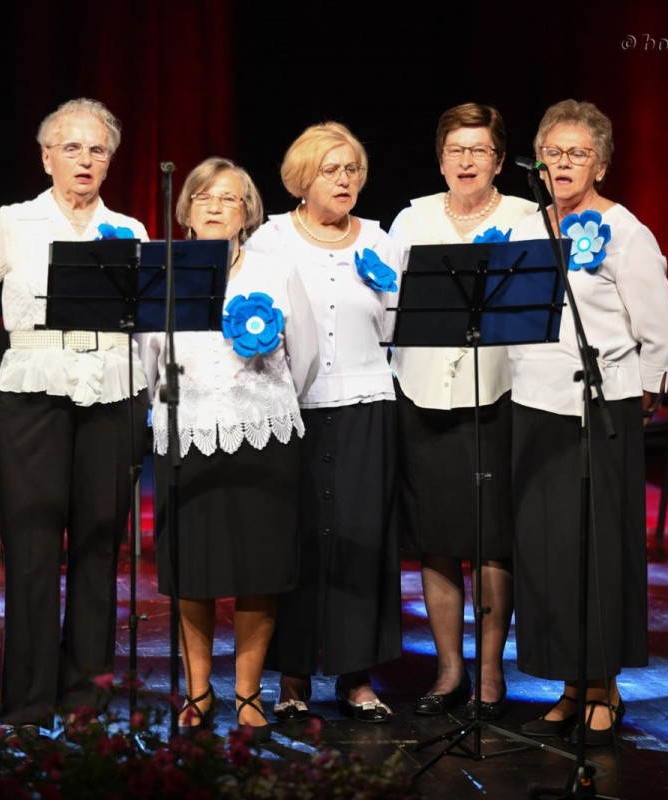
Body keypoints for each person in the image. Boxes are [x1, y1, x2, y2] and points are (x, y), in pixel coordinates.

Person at [0, 98, 149, 734]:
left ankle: (85, 701)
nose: (85, 160)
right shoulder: (13, 223)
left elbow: (147, 320)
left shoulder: (128, 229)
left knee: (99, 544)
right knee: (32, 546)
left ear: (110, 161)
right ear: (46, 157)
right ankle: (27, 701)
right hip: (34, 392)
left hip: (112, 391)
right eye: (71, 148)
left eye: (97, 149)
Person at [510, 99, 668, 746]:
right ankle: (570, 686)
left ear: (601, 164)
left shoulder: (626, 232)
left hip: (601, 406)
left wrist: (645, 392)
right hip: (535, 403)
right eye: (552, 153)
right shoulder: (526, 228)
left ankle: (604, 686)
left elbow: (657, 330)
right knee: (550, 552)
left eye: (577, 154)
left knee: (599, 550)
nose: (562, 164)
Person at [138, 157, 317, 742]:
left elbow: (306, 354)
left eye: (230, 198)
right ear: (186, 210)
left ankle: (247, 692)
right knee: (192, 572)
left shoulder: (275, 268)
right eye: (204, 197)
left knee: (257, 571)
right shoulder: (164, 270)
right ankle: (197, 690)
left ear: (248, 213)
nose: (216, 206)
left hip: (262, 436)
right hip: (188, 434)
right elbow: (148, 358)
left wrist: (267, 400)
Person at [245, 122, 402, 723]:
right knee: (298, 539)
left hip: (367, 402)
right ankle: (293, 675)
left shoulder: (381, 240)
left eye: (352, 169)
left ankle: (356, 675)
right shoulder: (271, 240)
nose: (345, 180)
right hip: (294, 407)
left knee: (363, 539)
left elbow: (395, 325)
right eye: (331, 170)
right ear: (302, 179)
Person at [387, 102, 537, 721]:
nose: (466, 161)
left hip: (498, 394)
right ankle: (449, 670)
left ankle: (491, 672)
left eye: (479, 150)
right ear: (441, 159)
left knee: (493, 539)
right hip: (422, 393)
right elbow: (387, 301)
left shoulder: (527, 218)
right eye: (456, 150)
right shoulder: (412, 219)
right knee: (437, 538)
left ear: (499, 161)